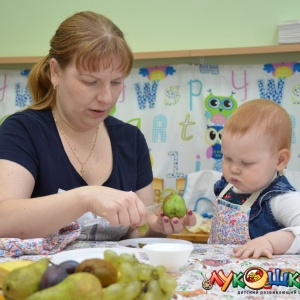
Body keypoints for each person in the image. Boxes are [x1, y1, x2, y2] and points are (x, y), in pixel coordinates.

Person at [0, 11, 195, 241]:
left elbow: (137, 230)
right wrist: (87, 197)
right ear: (55, 72)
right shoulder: (22, 131)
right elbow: (4, 220)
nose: (106, 97)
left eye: (116, 82)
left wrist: (157, 228)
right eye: (90, 82)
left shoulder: (131, 140)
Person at [209, 99, 300, 258]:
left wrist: (269, 242)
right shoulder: (225, 187)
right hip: (217, 273)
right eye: (228, 158)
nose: (234, 169)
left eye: (246, 163)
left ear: (279, 161)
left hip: (256, 279)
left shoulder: (281, 199)